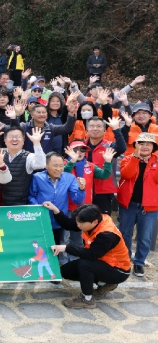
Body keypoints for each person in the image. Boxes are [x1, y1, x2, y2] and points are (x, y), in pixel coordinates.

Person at [43, 202, 131, 309]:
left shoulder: (107, 235)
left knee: (85, 264)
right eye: (77, 221)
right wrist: (55, 210)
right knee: (64, 271)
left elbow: (91, 255)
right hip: (102, 263)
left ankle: (87, 299)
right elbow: (68, 224)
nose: (78, 225)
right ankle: (104, 283)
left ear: (94, 222)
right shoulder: (90, 219)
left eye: (80, 223)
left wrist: (65, 248)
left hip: (118, 270)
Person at [116, 132, 158, 278]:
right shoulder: (128, 159)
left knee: (144, 237)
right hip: (128, 204)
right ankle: (125, 259)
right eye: (141, 144)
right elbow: (126, 174)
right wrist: (135, 158)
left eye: (148, 144)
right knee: (125, 233)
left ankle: (139, 263)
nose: (145, 147)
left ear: (153, 147)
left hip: (149, 206)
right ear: (135, 146)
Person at [29, 152, 87, 245]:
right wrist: (37, 207)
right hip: (41, 218)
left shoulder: (69, 178)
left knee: (57, 245)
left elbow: (78, 201)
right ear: (46, 165)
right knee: (40, 245)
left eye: (61, 166)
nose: (59, 169)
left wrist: (81, 189)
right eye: (55, 166)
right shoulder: (37, 177)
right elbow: (31, 195)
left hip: (59, 219)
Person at [0, 126, 46, 206]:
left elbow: (41, 164)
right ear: (5, 141)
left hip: (21, 205)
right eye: (11, 137)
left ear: (23, 141)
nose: (14, 139)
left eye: (18, 137)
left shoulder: (28, 157)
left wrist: (36, 143)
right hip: (0, 204)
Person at [83, 116, 127, 214]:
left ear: (104, 130)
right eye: (91, 126)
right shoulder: (80, 146)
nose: (95, 128)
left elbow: (122, 147)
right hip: (83, 190)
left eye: (99, 126)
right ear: (87, 129)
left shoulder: (110, 146)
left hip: (103, 191)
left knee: (103, 220)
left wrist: (116, 129)